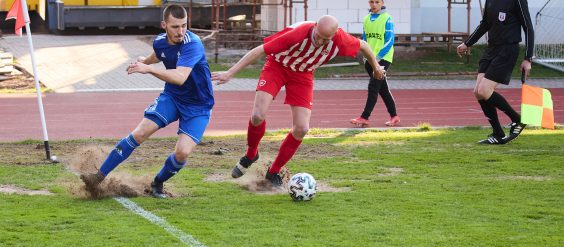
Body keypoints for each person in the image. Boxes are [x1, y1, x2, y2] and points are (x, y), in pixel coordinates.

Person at [211, 15, 385, 188]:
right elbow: (260, 50)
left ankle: (274, 170)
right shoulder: (297, 33)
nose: (319, 41)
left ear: (334, 36)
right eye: (317, 35)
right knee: (257, 115)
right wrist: (230, 73)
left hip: (303, 74)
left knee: (302, 128)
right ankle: (251, 154)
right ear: (315, 26)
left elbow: (364, 46)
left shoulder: (341, 39)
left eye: (325, 39)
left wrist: (376, 68)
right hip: (277, 66)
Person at [80, 5, 214, 198]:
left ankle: (157, 183)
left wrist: (148, 70)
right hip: (173, 97)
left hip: (198, 106)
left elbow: (180, 77)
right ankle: (97, 177)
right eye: (175, 26)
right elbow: (157, 56)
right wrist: (144, 62)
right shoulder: (159, 41)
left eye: (184, 25)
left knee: (182, 153)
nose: (181, 31)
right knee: (140, 133)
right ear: (164, 25)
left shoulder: (192, 44)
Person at [457, 0, 534, 144]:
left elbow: (528, 27)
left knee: (484, 90)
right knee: (478, 92)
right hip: (491, 49)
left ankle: (518, 120)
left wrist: (528, 58)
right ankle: (498, 133)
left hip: (508, 49)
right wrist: (467, 43)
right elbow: (485, 24)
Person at [350, 0, 400, 128]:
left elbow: (390, 41)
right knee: (382, 89)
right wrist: (366, 55)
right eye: (371, 2)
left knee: (373, 87)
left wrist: (377, 58)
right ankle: (394, 116)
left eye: (377, 2)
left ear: (382, 2)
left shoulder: (387, 18)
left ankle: (364, 117)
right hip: (369, 59)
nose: (374, 4)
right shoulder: (367, 19)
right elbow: (365, 39)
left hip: (383, 58)